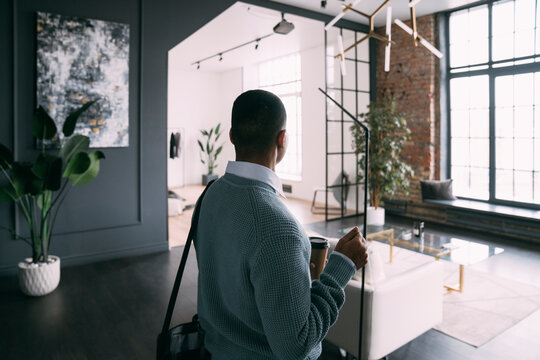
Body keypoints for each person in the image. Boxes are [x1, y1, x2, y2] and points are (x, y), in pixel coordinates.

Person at [194, 89, 368, 359]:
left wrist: (292, 275)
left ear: (231, 135)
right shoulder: (278, 228)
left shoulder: (210, 194)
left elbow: (233, 279)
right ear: (283, 139)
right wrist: (342, 267)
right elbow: (295, 347)